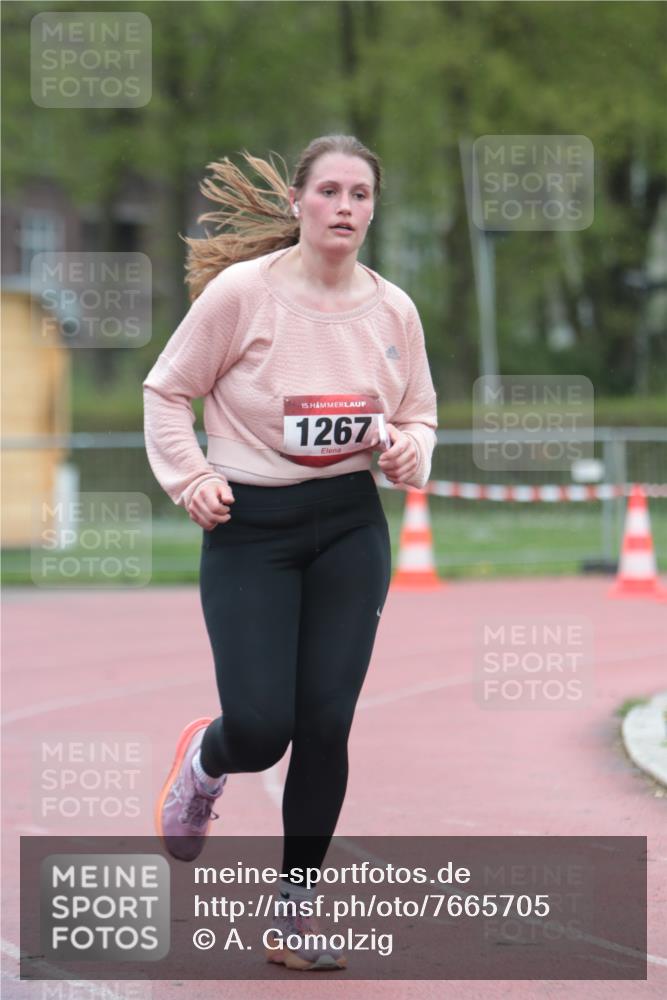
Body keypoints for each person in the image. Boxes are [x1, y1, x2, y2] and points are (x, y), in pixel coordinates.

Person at [142, 134, 438, 971]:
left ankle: (293, 917)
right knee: (264, 728)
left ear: (373, 209)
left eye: (360, 195)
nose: (345, 207)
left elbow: (417, 414)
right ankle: (207, 756)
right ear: (299, 203)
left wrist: (412, 449)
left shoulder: (393, 310)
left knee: (326, 722)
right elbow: (167, 391)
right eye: (330, 192)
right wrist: (190, 477)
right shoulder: (244, 295)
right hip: (249, 527)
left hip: (348, 522)